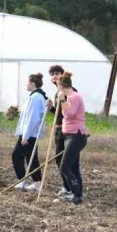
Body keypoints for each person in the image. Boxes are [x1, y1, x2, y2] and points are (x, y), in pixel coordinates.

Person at [46, 65, 77, 200]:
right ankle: (67, 187)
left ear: (63, 75)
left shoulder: (70, 91)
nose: (55, 76)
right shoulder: (57, 93)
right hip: (59, 129)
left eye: (57, 73)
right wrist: (52, 108)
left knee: (67, 161)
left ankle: (73, 189)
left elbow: (71, 113)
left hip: (68, 130)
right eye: (52, 74)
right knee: (60, 160)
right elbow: (60, 114)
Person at [56, 72, 87, 205]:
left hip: (76, 135)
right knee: (73, 167)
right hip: (69, 135)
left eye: (58, 87)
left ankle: (75, 193)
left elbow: (69, 115)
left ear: (61, 87)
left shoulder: (74, 97)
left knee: (65, 167)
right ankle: (78, 194)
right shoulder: (71, 98)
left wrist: (62, 100)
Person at [12, 73, 47, 191]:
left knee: (18, 156)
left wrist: (25, 136)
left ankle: (23, 181)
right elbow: (27, 113)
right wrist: (17, 112)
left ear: (33, 83)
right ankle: (37, 183)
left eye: (27, 82)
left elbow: (33, 117)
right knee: (30, 157)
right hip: (29, 133)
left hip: (29, 134)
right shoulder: (34, 96)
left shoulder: (36, 97)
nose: (26, 84)